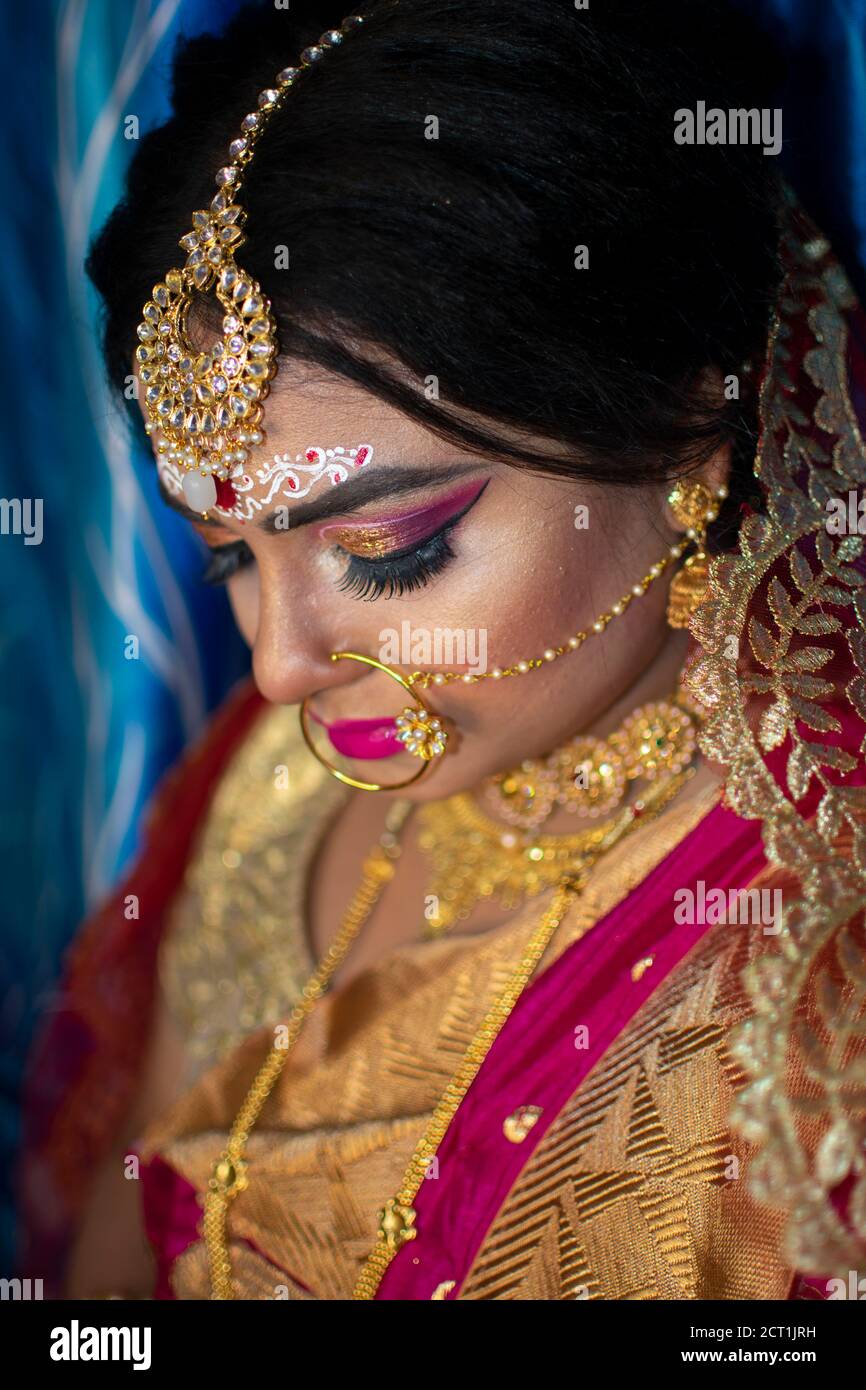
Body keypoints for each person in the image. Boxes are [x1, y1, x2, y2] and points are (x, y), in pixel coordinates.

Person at [22, 0, 866, 1300]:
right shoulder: (279, 787)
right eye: (229, 559)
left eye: (389, 550)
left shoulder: (816, 980)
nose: (278, 670)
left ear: (696, 411)